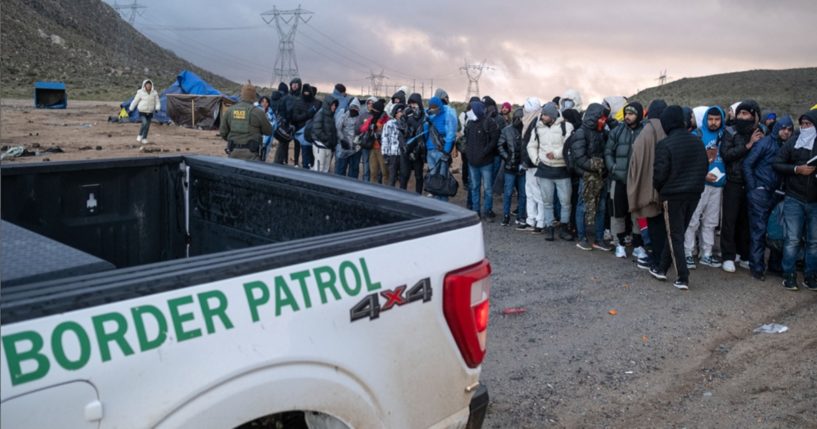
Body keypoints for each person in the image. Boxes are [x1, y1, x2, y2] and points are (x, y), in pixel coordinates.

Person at [650, 105, 709, 290]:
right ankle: (661, 268)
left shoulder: (665, 144)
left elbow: (659, 174)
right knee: (677, 232)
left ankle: (683, 276)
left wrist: (662, 190)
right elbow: (703, 168)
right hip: (694, 194)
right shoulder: (697, 142)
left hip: (673, 195)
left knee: (675, 234)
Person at [742, 115, 793, 280]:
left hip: (777, 194)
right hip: (761, 192)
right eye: (784, 128)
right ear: (778, 127)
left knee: (776, 231)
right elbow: (748, 163)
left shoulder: (786, 146)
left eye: (790, 129)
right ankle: (757, 267)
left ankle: (774, 264)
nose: (786, 132)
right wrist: (753, 187)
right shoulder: (765, 143)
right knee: (759, 230)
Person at [772, 110, 817, 291]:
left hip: (815, 200)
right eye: (803, 124)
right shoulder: (793, 142)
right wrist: (797, 169)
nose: (805, 128)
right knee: (792, 239)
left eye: (809, 124)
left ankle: (810, 275)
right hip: (794, 198)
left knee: (814, 241)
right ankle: (789, 274)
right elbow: (777, 163)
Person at [719, 100, 764, 272]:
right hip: (733, 181)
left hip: (752, 182)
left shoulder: (761, 132)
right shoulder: (730, 132)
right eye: (740, 113)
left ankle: (743, 254)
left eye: (746, 114)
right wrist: (748, 146)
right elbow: (726, 155)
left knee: (746, 220)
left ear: (754, 116)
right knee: (729, 220)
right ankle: (728, 256)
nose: (741, 117)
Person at [683, 106, 727, 270]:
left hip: (718, 185)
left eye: (717, 119)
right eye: (710, 119)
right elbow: (690, 161)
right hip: (700, 184)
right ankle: (688, 252)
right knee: (693, 219)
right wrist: (702, 174)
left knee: (711, 222)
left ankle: (706, 253)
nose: (714, 122)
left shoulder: (725, 135)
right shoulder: (697, 135)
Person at [628, 99, 669, 269]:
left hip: (648, 186)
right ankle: (663, 257)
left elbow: (635, 163)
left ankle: (658, 258)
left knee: (654, 224)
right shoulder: (667, 130)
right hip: (666, 187)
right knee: (664, 225)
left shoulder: (645, 132)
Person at [605, 101, 647, 259]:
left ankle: (638, 245)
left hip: (637, 181)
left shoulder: (645, 131)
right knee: (618, 214)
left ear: (639, 115)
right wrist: (613, 168)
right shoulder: (617, 131)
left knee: (637, 214)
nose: (628, 117)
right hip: (619, 179)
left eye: (631, 114)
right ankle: (619, 244)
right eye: (626, 114)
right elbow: (608, 151)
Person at [529, 102, 574, 240]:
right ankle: (549, 228)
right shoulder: (537, 128)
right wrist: (537, 160)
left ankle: (564, 228)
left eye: (545, 114)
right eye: (542, 114)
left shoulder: (566, 126)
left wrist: (555, 154)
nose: (542, 116)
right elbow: (531, 145)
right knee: (547, 201)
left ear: (553, 115)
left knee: (565, 202)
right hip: (544, 169)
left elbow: (569, 144)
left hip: (562, 169)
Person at [572, 103, 610, 251]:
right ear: (595, 117)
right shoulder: (581, 132)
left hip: (601, 177)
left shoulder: (601, 132)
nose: (604, 120)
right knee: (582, 206)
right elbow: (579, 157)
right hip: (587, 177)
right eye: (602, 117)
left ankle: (599, 239)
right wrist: (595, 166)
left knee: (601, 207)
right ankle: (582, 238)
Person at [464, 100, 500, 219]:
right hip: (472, 162)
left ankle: (487, 211)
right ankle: (476, 211)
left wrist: (484, 152)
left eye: (470, 110)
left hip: (486, 163)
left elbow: (494, 141)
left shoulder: (489, 123)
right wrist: (468, 155)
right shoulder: (470, 124)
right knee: (474, 187)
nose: (468, 112)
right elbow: (467, 141)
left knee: (488, 189)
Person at [219, 81, 272, 161]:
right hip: (252, 155)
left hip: (233, 153)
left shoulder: (230, 111)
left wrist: (233, 140)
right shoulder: (258, 112)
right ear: (254, 96)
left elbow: (223, 132)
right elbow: (268, 131)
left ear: (241, 95)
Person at [517, 97, 544, 232]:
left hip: (534, 163)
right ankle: (531, 220)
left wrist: (527, 161)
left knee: (537, 193)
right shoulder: (530, 121)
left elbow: (533, 145)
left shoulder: (537, 122)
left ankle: (539, 221)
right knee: (530, 192)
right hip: (529, 163)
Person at [424, 96, 456, 201]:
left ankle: (443, 202)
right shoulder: (431, 117)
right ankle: (436, 203)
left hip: (441, 152)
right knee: (433, 178)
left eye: (435, 107)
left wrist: (446, 152)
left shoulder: (447, 116)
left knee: (442, 178)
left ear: (439, 106)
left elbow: (450, 135)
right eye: (431, 107)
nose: (433, 109)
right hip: (430, 151)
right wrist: (426, 122)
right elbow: (426, 133)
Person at [498, 108, 527, 226]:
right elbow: (500, 145)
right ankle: (506, 216)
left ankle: (521, 216)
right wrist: (507, 157)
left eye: (521, 118)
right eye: (518, 118)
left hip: (523, 167)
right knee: (508, 192)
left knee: (523, 194)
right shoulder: (506, 130)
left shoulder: (527, 131)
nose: (519, 121)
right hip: (510, 167)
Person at [360, 99, 390, 184]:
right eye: (373, 110)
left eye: (375, 110)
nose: (373, 111)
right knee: (373, 172)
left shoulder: (386, 119)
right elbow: (362, 129)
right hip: (373, 148)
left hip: (382, 149)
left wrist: (378, 129)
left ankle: (385, 191)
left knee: (385, 173)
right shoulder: (372, 118)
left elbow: (387, 133)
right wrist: (368, 127)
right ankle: (372, 192)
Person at [273, 77, 302, 165]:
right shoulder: (286, 97)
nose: (295, 86)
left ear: (300, 86)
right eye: (293, 84)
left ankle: (296, 163)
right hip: (286, 124)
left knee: (297, 144)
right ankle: (282, 161)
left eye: (297, 85)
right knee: (284, 143)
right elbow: (281, 109)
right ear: (291, 85)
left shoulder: (301, 98)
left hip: (298, 124)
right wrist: (283, 120)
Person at [403, 93, 427, 193]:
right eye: (410, 103)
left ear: (419, 103)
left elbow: (425, 133)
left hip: (419, 150)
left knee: (418, 175)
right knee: (405, 174)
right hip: (408, 149)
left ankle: (418, 196)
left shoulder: (425, 117)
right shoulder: (409, 116)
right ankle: (401, 194)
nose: (412, 105)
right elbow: (405, 132)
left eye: (414, 103)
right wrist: (404, 118)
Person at [310, 94, 339, 173]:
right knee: (319, 168)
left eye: (335, 105)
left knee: (326, 169)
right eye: (332, 105)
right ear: (328, 104)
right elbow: (317, 130)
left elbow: (333, 131)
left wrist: (334, 142)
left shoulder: (331, 116)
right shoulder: (320, 114)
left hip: (328, 147)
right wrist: (327, 140)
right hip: (320, 145)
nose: (334, 107)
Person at [335, 97, 363, 178]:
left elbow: (362, 131)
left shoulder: (360, 118)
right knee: (340, 169)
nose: (353, 109)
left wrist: (357, 141)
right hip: (344, 147)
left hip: (356, 148)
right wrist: (342, 140)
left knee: (354, 170)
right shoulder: (344, 116)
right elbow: (338, 128)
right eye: (352, 107)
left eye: (356, 108)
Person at [382, 104, 408, 187]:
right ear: (396, 113)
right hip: (393, 154)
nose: (403, 113)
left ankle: (403, 195)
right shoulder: (389, 124)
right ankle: (390, 195)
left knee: (403, 177)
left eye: (403, 111)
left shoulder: (406, 123)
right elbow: (385, 138)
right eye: (400, 112)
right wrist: (385, 154)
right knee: (392, 177)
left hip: (403, 154)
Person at [128, 79, 161, 144]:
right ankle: (140, 135)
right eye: (147, 85)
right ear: (144, 85)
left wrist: (157, 108)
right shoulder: (140, 92)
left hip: (150, 112)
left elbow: (157, 102)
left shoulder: (154, 93)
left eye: (150, 85)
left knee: (147, 125)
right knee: (144, 123)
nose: (148, 86)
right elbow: (135, 101)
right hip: (142, 111)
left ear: (151, 85)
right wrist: (130, 109)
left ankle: (144, 138)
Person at [257, 96, 277, 161]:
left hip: (267, 137)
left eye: (266, 102)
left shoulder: (271, 113)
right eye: (263, 102)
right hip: (257, 136)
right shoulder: (255, 111)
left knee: (264, 154)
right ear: (260, 102)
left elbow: (274, 124)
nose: (264, 103)